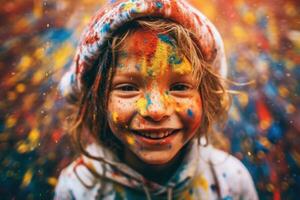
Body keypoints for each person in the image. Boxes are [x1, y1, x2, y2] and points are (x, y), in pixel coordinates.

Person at [55, 0, 258, 199]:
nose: (156, 110)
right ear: (97, 100)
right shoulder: (79, 187)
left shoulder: (232, 182)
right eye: (127, 88)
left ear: (207, 96)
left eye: (179, 87)